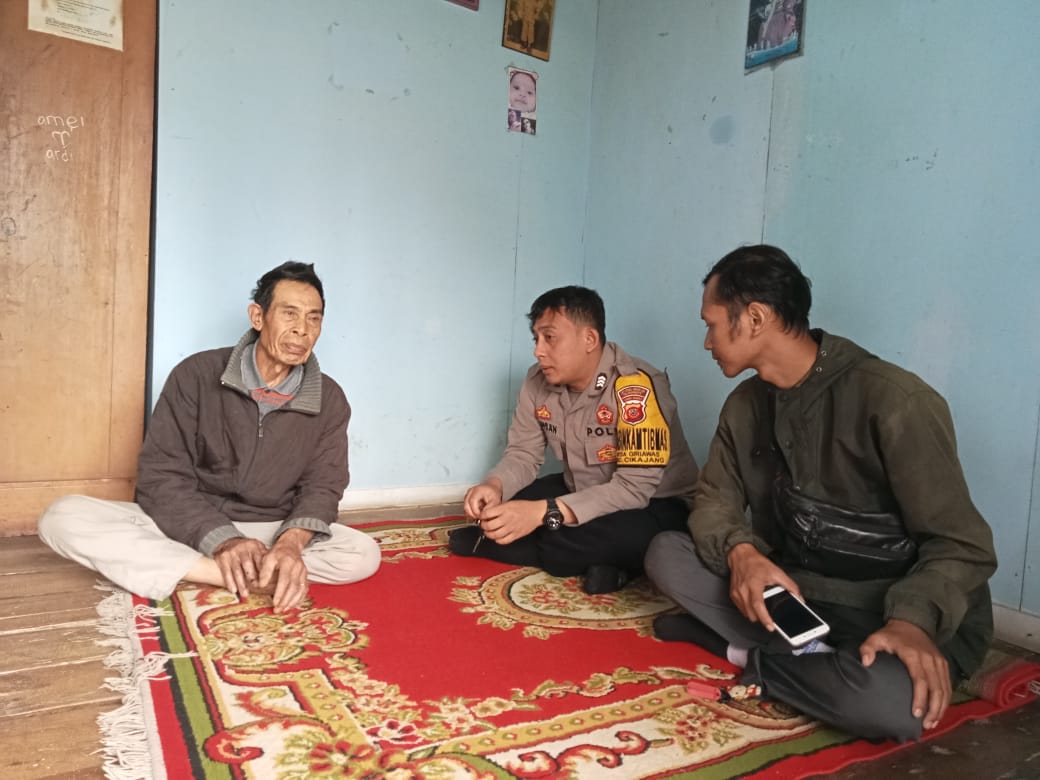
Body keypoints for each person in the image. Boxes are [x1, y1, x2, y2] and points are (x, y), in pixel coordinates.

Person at [645, 245, 997, 741]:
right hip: (800, 594)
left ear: (755, 318)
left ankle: (747, 655)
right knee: (666, 552)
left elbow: (961, 545)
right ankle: (816, 661)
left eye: (712, 325)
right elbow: (714, 502)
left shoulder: (894, 400)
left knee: (892, 708)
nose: (707, 342)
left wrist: (912, 623)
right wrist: (742, 553)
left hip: (890, 608)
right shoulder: (744, 406)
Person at [38, 262, 381, 612]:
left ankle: (199, 568)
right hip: (190, 522)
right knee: (63, 517)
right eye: (289, 314)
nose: (302, 330)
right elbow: (161, 476)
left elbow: (323, 486)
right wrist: (223, 540)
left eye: (314, 318)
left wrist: (290, 545)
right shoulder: (196, 375)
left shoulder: (330, 398)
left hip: (271, 527)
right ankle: (225, 573)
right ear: (258, 316)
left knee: (362, 554)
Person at [450, 285, 699, 594]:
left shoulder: (636, 386)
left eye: (550, 337)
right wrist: (495, 485)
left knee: (584, 538)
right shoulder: (537, 381)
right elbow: (523, 454)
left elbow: (633, 489)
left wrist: (542, 513)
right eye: (536, 339)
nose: (538, 350)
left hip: (654, 504)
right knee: (505, 506)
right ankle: (603, 565)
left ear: (589, 339)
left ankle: (534, 547)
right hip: (582, 490)